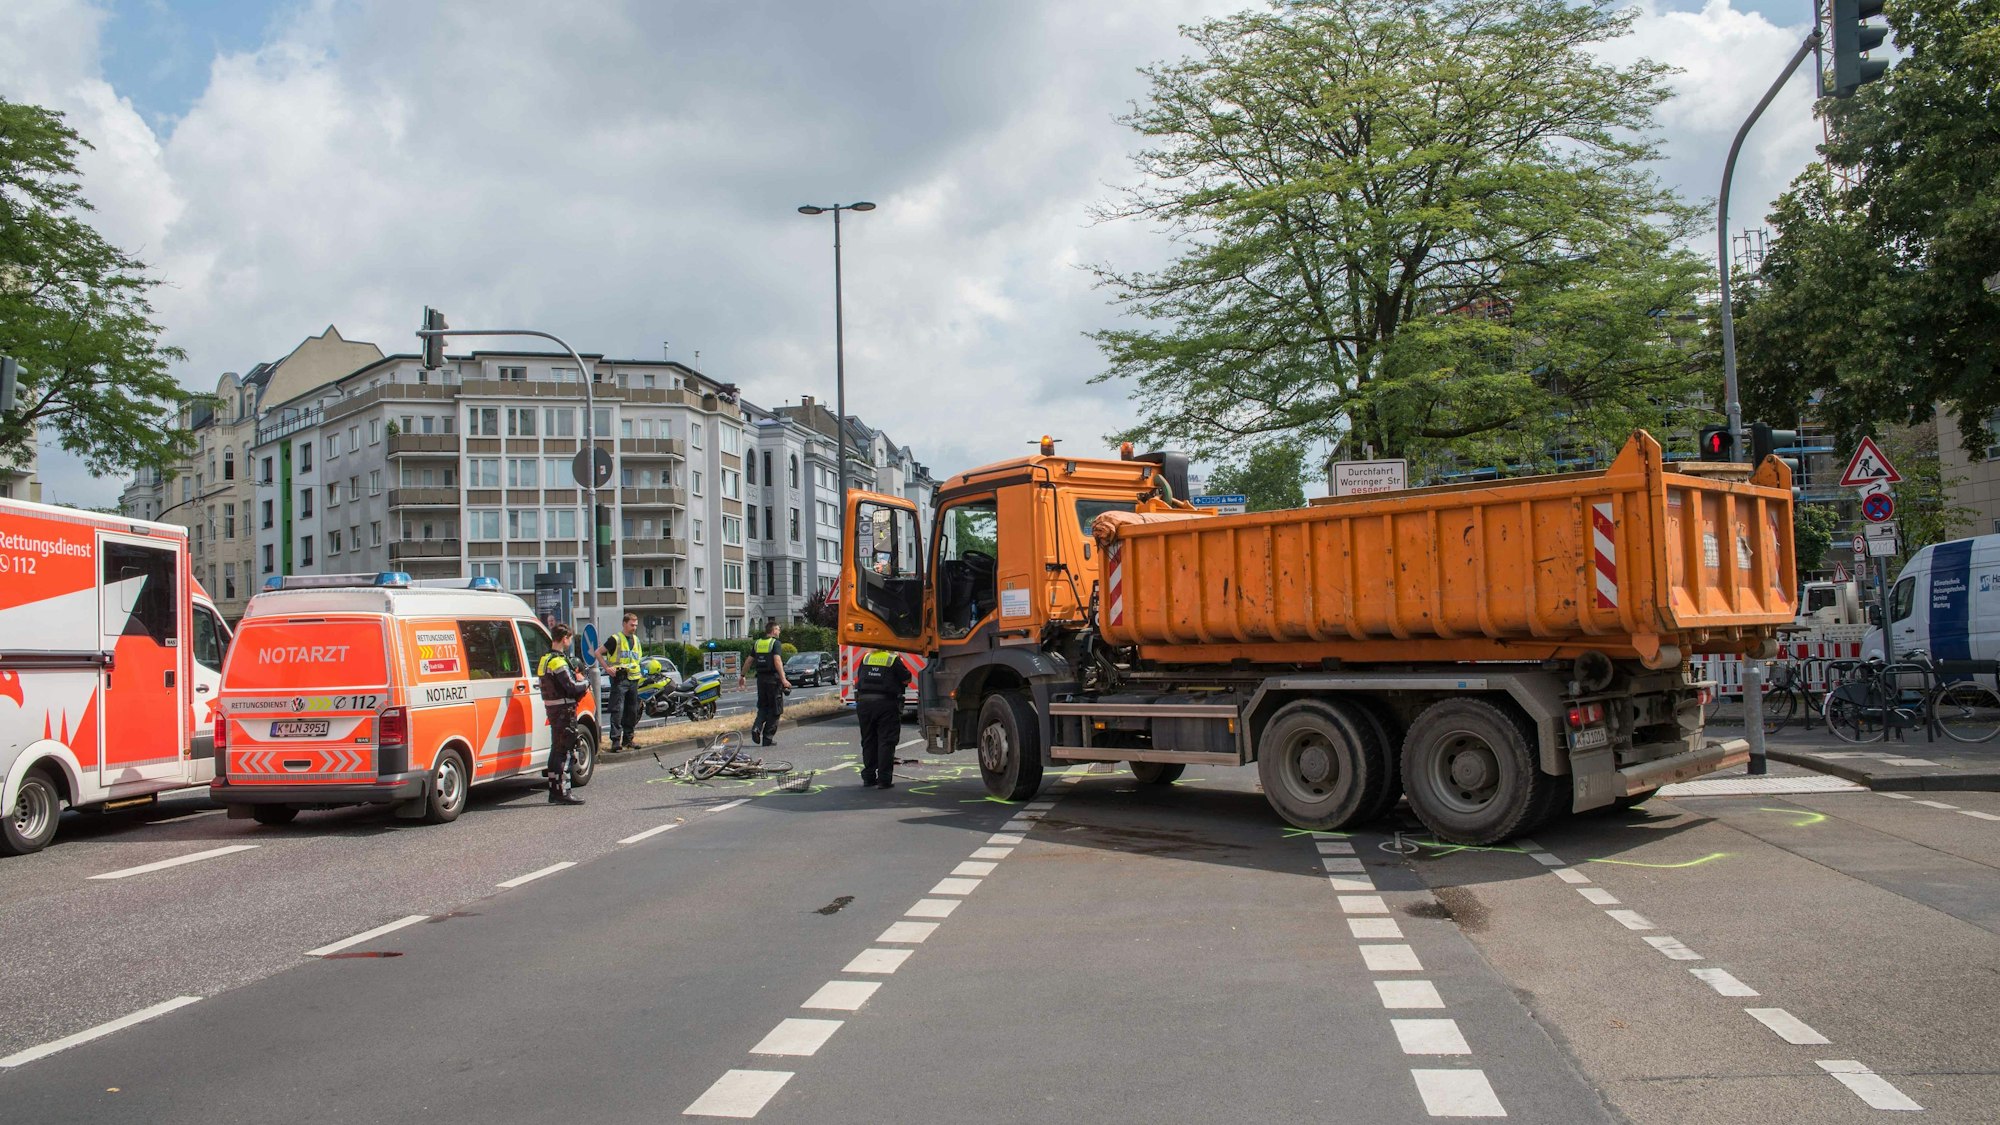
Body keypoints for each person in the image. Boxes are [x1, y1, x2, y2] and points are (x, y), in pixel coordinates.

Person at [537, 624, 589, 805]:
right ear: (564, 638)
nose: (569, 642)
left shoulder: (544, 659)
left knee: (556, 750)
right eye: (569, 638)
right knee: (565, 751)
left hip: (552, 709)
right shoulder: (558, 661)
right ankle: (563, 792)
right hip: (564, 710)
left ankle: (554, 790)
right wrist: (586, 682)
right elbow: (572, 687)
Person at [855, 648, 912, 789]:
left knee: (868, 740)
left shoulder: (866, 657)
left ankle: (868, 778)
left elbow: (860, 676)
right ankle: (884, 780)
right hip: (886, 704)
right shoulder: (892, 659)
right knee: (886, 741)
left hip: (864, 704)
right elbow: (907, 678)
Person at [600, 612, 644, 750]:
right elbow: (598, 652)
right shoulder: (615, 639)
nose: (634, 628)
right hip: (619, 678)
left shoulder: (636, 640)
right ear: (624, 624)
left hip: (633, 679)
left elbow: (637, 659)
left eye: (636, 625)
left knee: (632, 710)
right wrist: (607, 668)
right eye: (632, 625)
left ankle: (628, 739)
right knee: (617, 710)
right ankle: (615, 742)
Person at [748, 620, 791, 747]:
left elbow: (749, 660)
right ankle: (767, 738)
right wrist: (783, 680)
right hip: (773, 680)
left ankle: (756, 728)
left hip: (761, 680)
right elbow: (777, 660)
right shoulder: (775, 643)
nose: (779, 631)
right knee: (775, 709)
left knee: (763, 707)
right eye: (778, 629)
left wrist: (742, 675)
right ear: (773, 631)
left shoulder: (758, 643)